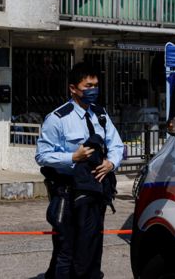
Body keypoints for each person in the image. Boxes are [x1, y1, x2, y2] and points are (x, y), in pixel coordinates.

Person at [36, 62, 124, 279]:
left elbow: (117, 145)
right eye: (88, 86)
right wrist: (71, 158)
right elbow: (42, 155)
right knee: (67, 248)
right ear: (73, 88)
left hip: (95, 193)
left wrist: (111, 163)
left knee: (92, 244)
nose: (93, 90)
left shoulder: (100, 115)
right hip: (68, 192)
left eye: (95, 85)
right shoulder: (58, 119)